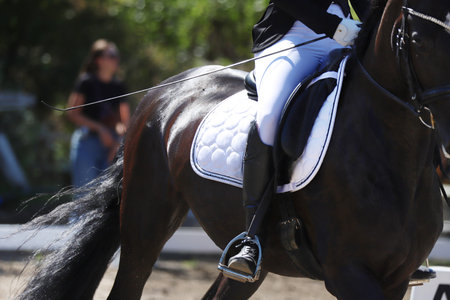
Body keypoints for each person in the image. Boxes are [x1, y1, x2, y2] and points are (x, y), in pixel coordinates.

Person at [223, 0, 369, 279]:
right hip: (291, 39)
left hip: (344, 40)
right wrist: (333, 26)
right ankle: (250, 237)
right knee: (269, 118)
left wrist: (373, 27)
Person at [67, 39, 130, 188]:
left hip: (111, 145)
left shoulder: (119, 86)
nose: (116, 59)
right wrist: (100, 128)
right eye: (111, 55)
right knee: (84, 196)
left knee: (106, 196)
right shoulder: (86, 82)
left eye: (116, 55)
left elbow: (124, 121)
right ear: (99, 60)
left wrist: (119, 142)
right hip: (87, 142)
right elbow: (72, 113)